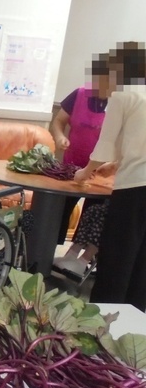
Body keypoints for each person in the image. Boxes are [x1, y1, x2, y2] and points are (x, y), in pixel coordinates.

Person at [75, 42, 146, 310]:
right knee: (142, 262)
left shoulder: (123, 96)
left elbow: (105, 144)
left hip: (134, 189)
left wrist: (85, 172)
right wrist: (114, 165)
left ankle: (103, 319)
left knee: (118, 255)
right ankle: (136, 320)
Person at [50, 55, 114, 274]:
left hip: (100, 173)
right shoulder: (79, 94)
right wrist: (59, 137)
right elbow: (58, 121)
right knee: (61, 209)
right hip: (71, 168)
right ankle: (53, 253)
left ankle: (77, 258)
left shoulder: (119, 103)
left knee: (92, 212)